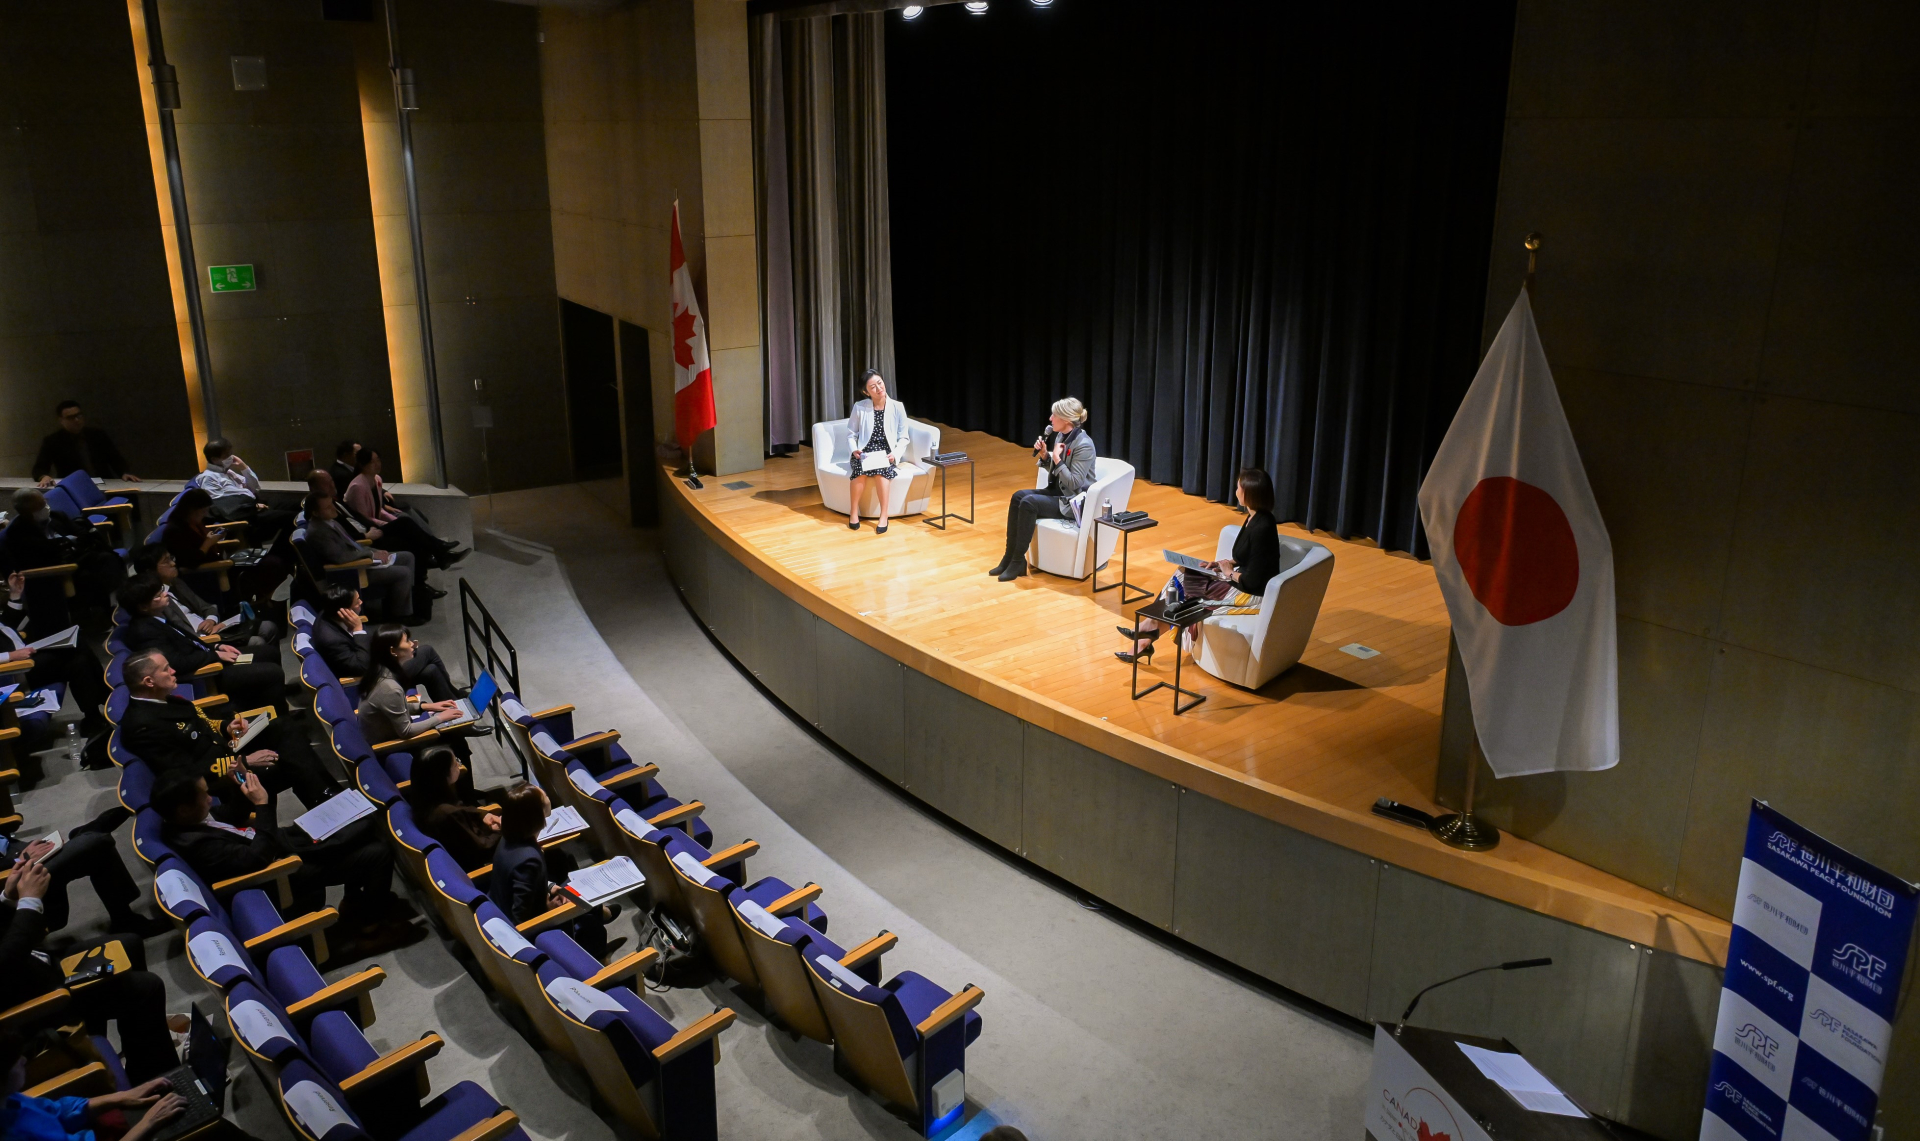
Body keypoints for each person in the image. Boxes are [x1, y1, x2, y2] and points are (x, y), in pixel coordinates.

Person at [152, 773, 416, 953]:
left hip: (274, 845)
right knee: (378, 852)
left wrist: (240, 786)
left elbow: (229, 816)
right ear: (184, 809)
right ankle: (370, 931)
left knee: (363, 827)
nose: (210, 799)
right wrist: (263, 804)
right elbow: (256, 860)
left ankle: (356, 903)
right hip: (279, 873)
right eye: (204, 795)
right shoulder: (196, 843)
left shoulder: (191, 820)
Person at [0, 856, 178, 1083]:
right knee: (147, 987)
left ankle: (140, 1058)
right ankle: (155, 1081)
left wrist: (7, 898)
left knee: (128, 943)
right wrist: (29, 901)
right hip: (35, 1007)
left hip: (36, 965)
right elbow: (5, 964)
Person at [117, 650, 335, 810]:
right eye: (166, 669)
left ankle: (327, 796)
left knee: (284, 726)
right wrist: (245, 762)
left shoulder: (163, 699)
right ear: (149, 681)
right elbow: (184, 773)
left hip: (224, 750)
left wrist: (225, 727)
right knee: (288, 762)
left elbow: (200, 724)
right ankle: (327, 805)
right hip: (218, 781)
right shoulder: (142, 726)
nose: (174, 671)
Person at [1117, 467, 1283, 664]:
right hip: (1238, 579)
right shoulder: (1252, 517)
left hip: (1251, 593)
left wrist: (1229, 573)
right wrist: (1222, 564)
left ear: (1250, 493)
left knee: (1189, 596)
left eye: (1239, 487)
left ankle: (1145, 635)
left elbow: (1253, 579)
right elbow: (1247, 557)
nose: (1236, 490)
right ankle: (1147, 633)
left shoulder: (1264, 527)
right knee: (1182, 574)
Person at [116, 576, 287, 718]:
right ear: (143, 606)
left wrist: (217, 647)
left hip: (206, 658)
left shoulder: (156, 617)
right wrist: (215, 657)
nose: (165, 594)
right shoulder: (144, 630)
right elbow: (175, 662)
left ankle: (274, 700)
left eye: (161, 590)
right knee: (272, 672)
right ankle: (278, 719)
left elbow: (188, 640)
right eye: (157, 596)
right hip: (204, 675)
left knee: (268, 652)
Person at [487, 781, 612, 959]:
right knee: (594, 929)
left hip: (504, 907)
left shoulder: (510, 837)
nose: (546, 794)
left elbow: (519, 883)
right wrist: (550, 909)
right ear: (536, 814)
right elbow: (521, 920)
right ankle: (599, 960)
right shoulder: (529, 859)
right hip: (531, 933)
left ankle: (600, 911)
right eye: (543, 796)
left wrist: (549, 887)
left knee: (568, 867)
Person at [0, 1030, 186, 1141]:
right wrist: (147, 1124)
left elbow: (57, 1111)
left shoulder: (8, 1098)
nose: (24, 1060)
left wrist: (122, 1097)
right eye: (15, 1063)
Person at [990, 396, 1097, 582]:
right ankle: (1009, 556)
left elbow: (1074, 483)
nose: (1050, 419)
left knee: (1029, 503)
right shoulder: (1062, 435)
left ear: (1065, 419)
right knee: (1018, 497)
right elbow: (1059, 474)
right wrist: (1045, 456)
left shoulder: (1084, 445)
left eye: (1054, 415)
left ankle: (1017, 561)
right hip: (1058, 492)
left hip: (1071, 502)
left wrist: (1056, 458)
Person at [0, 822, 169, 938]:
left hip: (11, 847)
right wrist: (19, 859)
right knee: (96, 843)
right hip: (11, 868)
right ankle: (125, 921)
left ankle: (124, 920)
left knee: (93, 846)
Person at [3, 571, 111, 742]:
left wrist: (15, 594)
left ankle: (93, 717)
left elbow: (7, 627)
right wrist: (11, 655)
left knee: (78, 656)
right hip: (12, 671)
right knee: (75, 653)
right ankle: (106, 700)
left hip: (22, 660)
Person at [353, 625, 487, 750]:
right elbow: (406, 731)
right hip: (387, 745)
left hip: (389, 731)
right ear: (393, 651)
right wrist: (440, 718)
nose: (413, 644)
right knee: (455, 738)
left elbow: (396, 707)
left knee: (430, 671)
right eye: (407, 641)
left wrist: (426, 707)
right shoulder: (389, 688)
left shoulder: (379, 671)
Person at [312, 585, 457, 699]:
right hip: (374, 682)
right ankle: (457, 699)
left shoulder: (329, 612)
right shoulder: (330, 639)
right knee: (427, 651)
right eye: (357, 602)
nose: (361, 602)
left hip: (374, 666)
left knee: (430, 671)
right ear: (344, 611)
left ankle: (456, 709)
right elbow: (361, 667)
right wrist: (357, 629)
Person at [300, 492, 423, 622]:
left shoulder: (330, 523)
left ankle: (405, 602)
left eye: (332, 505)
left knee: (408, 557)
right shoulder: (318, 532)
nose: (333, 509)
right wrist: (370, 555)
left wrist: (376, 551)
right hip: (351, 572)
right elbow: (340, 558)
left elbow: (352, 544)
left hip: (359, 561)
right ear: (315, 513)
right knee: (403, 573)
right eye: (327, 507)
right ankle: (401, 615)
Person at [128, 544, 278, 649]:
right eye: (166, 561)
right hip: (202, 640)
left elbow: (206, 607)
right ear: (150, 572)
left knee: (269, 626)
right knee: (257, 642)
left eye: (171, 558)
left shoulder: (176, 583)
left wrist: (211, 620)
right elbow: (179, 633)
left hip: (211, 630)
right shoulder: (155, 601)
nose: (173, 563)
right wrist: (206, 635)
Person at [160, 487, 287, 611]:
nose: (205, 514)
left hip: (221, 561)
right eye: (203, 511)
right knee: (273, 564)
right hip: (214, 570)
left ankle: (261, 600)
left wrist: (211, 538)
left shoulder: (194, 522)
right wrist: (208, 543)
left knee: (275, 560)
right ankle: (254, 603)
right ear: (191, 510)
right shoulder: (175, 531)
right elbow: (191, 561)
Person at [343, 448, 466, 568]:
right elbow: (365, 517)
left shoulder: (376, 479)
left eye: (378, 460)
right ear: (363, 465)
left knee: (405, 523)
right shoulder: (357, 486)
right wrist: (391, 524)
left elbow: (378, 509)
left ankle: (440, 553)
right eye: (372, 462)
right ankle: (440, 550)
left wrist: (393, 522)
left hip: (377, 523)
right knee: (405, 524)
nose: (377, 464)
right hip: (370, 528)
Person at [404, 747, 498, 871]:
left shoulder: (425, 796)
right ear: (444, 775)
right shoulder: (447, 814)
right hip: (474, 867)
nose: (459, 765)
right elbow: (483, 849)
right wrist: (503, 830)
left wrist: (482, 815)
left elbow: (460, 807)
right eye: (455, 764)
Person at [189, 438, 296, 542]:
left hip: (254, 507)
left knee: (298, 506)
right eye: (226, 455)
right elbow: (227, 508)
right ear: (214, 459)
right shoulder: (208, 478)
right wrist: (255, 507)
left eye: (231, 453)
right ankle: (278, 556)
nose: (231, 457)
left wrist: (244, 468)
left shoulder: (229, 472)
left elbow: (255, 488)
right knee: (293, 519)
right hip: (246, 518)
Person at [844, 370, 910, 534]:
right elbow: (851, 434)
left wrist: (895, 453)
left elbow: (903, 437)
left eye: (880, 383)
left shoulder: (897, 407)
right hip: (865, 451)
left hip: (886, 452)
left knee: (882, 471)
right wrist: (855, 450)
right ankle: (854, 512)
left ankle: (884, 515)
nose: (879, 388)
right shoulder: (860, 407)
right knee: (860, 471)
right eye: (873, 387)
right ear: (866, 392)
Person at [31, 401, 140, 486]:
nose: (77, 420)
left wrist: (124, 472)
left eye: (79, 415)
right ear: (61, 420)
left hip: (103, 482)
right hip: (74, 485)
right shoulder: (53, 441)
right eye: (71, 417)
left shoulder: (97, 435)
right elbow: (39, 467)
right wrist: (43, 476)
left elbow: (115, 458)